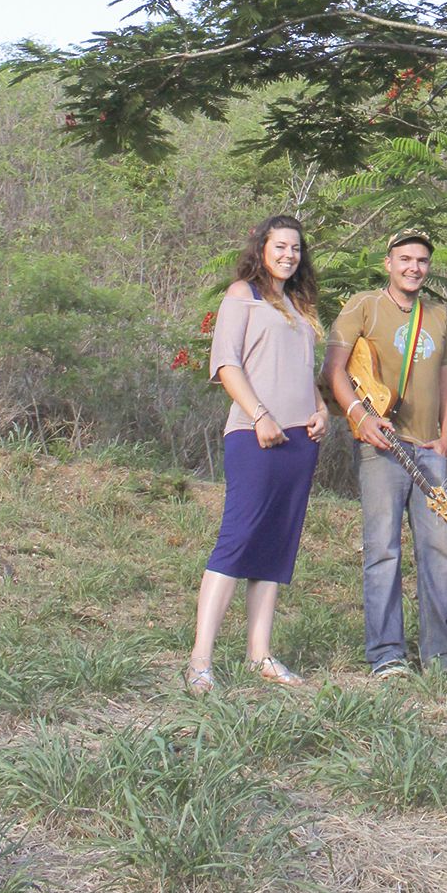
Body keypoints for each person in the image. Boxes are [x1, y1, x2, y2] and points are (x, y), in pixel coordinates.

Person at [185, 214, 328, 695]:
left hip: (299, 440)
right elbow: (227, 364)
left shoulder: (297, 304)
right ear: (262, 249)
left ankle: (259, 654)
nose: (288, 255)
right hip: (254, 433)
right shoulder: (240, 296)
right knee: (239, 537)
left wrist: (322, 409)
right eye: (280, 246)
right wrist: (260, 414)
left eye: (295, 248)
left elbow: (302, 372)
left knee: (277, 542)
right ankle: (200, 661)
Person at [322, 229, 447, 678]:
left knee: (440, 552)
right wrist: (360, 418)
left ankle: (440, 657)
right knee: (383, 551)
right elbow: (334, 370)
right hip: (382, 447)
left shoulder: (438, 315)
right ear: (388, 262)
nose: (413, 267)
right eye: (405, 259)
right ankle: (386, 655)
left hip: (430, 451)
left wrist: (446, 439)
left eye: (421, 260)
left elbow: (446, 383)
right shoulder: (363, 306)